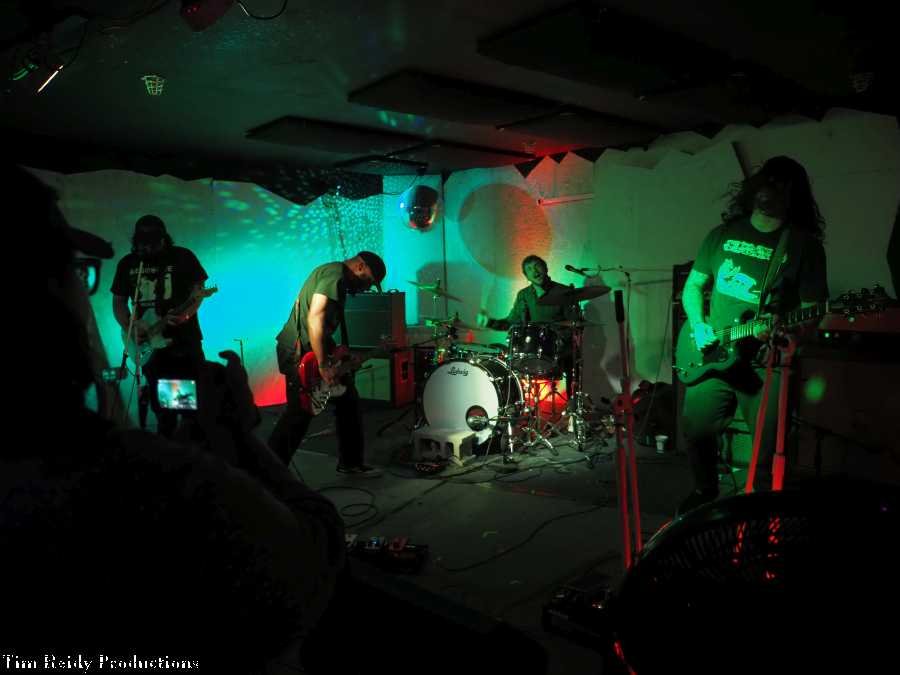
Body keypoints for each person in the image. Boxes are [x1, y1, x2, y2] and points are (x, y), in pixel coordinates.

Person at [3, 163, 345, 669]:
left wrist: (180, 316)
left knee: (184, 408)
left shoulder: (183, 259)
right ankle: (199, 442)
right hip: (155, 357)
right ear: (49, 292)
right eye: (75, 272)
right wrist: (135, 332)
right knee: (172, 411)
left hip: (183, 348)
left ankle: (196, 439)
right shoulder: (138, 477)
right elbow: (311, 562)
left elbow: (196, 296)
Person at [678, 156, 829, 515]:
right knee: (696, 428)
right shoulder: (722, 235)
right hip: (713, 352)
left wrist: (792, 337)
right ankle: (704, 489)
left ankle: (757, 516)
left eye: (780, 184)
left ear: (793, 194)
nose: (769, 189)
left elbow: (813, 310)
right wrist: (699, 324)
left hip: (765, 363)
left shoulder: (803, 246)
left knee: (767, 448)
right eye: (766, 180)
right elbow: (694, 286)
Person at [269, 252, 387, 477]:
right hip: (300, 354)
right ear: (360, 267)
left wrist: (337, 355)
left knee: (348, 402)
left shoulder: (335, 276)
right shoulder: (335, 276)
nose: (366, 288)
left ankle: (351, 463)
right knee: (299, 415)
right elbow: (315, 318)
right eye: (368, 281)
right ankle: (268, 473)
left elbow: (322, 328)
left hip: (312, 351)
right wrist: (324, 365)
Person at [111, 214, 211, 438]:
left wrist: (186, 314)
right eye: (141, 244)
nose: (145, 248)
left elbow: (198, 291)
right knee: (166, 411)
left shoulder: (182, 257)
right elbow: (118, 302)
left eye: (151, 244)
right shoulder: (128, 263)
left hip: (182, 342)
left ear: (163, 239)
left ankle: (189, 447)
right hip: (150, 345)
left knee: (191, 407)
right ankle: (172, 446)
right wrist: (130, 327)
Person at [476, 254, 588, 396]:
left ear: (545, 269)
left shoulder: (564, 292)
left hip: (560, 347)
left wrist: (560, 340)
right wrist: (489, 322)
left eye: (537, 266)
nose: (534, 271)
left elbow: (575, 323)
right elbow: (511, 322)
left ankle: (574, 402)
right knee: (509, 358)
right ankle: (516, 400)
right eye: (529, 269)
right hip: (532, 348)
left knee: (573, 358)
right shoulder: (524, 295)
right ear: (527, 276)